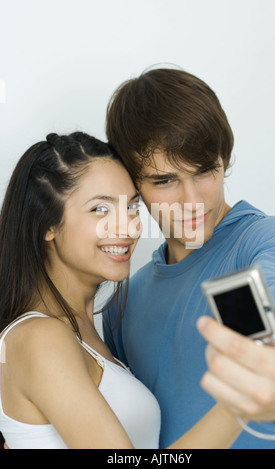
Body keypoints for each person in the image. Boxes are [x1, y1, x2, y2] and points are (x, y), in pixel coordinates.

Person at [0, 131, 246, 449]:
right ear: (47, 225)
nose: (128, 227)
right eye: (100, 210)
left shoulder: (83, 333)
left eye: (131, 207)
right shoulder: (40, 337)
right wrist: (242, 403)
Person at [102, 67, 275, 449]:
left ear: (223, 161)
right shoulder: (124, 302)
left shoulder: (269, 241)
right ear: (132, 185)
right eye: (165, 180)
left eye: (205, 171)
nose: (192, 202)